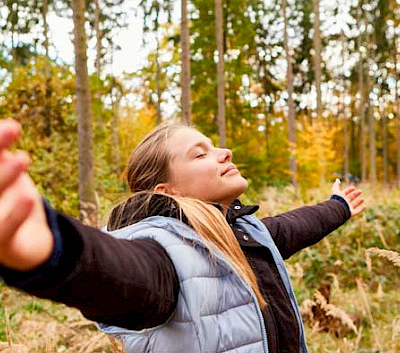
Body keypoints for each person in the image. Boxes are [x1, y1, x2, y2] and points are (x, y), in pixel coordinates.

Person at [0, 118, 365, 353]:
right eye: (200, 153)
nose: (225, 153)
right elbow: (118, 274)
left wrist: (339, 206)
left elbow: (296, 225)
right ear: (168, 191)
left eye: (214, 145)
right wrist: (52, 246)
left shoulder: (245, 233)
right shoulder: (162, 254)